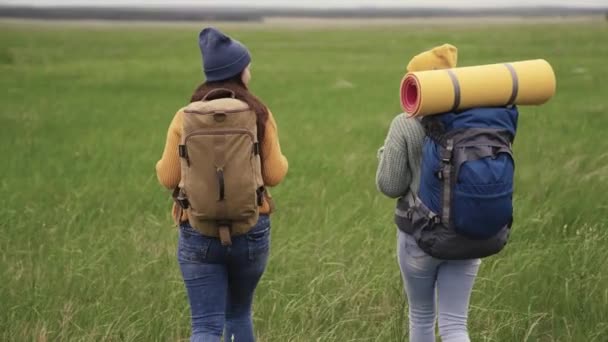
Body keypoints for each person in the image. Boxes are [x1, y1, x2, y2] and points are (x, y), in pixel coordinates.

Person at [155, 27, 288, 342]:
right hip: (251, 229)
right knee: (238, 315)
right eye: (247, 66)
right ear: (239, 71)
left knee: (205, 326)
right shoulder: (259, 113)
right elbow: (275, 175)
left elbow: (168, 178)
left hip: (198, 231)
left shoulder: (184, 117)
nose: (250, 71)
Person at [376, 44, 480, 342]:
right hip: (468, 233)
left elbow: (390, 185)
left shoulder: (405, 124)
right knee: (456, 325)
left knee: (421, 316)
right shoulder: (475, 122)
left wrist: (384, 155)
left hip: (419, 236)